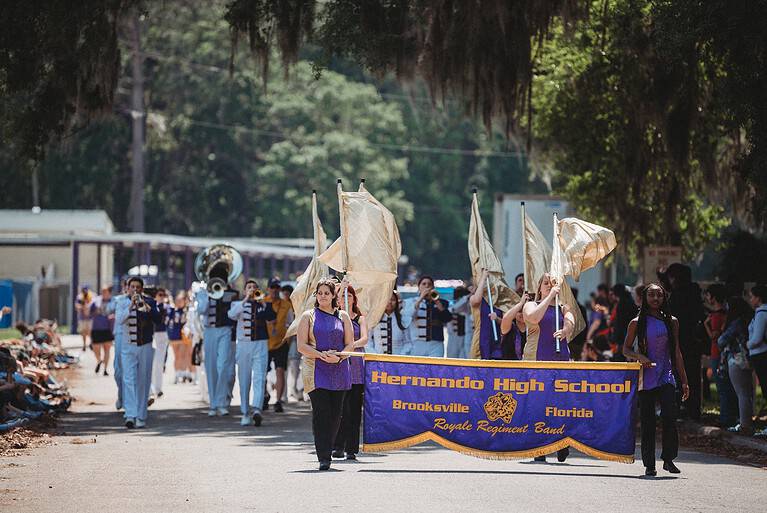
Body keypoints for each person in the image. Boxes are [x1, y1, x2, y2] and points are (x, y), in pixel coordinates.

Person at [623, 283, 689, 476]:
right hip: (646, 376)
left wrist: (684, 380)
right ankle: (649, 464)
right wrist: (640, 357)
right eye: (651, 295)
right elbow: (625, 349)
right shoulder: (637, 322)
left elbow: (676, 352)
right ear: (645, 298)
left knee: (669, 416)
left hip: (666, 374)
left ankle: (668, 459)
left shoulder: (672, 321)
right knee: (648, 421)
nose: (655, 299)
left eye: (659, 295)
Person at [296, 278, 354, 471]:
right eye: (319, 293)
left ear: (333, 295)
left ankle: (328, 447)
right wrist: (321, 355)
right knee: (322, 413)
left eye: (326, 293)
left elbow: (350, 345)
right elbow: (301, 346)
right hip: (315, 370)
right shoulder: (308, 316)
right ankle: (324, 456)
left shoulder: (343, 316)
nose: (323, 296)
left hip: (339, 368)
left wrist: (338, 358)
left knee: (336, 414)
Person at [523, 273, 575, 462]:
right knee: (538, 403)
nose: (549, 286)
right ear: (539, 288)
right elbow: (533, 318)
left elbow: (571, 321)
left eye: (552, 283)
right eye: (545, 283)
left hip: (560, 358)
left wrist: (565, 330)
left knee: (560, 403)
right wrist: (549, 297)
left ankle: (561, 442)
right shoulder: (531, 305)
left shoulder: (563, 308)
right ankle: (540, 447)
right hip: (537, 359)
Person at [229, 280, 276, 426]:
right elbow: (231, 315)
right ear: (244, 291)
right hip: (243, 345)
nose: (252, 289)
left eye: (255, 288)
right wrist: (245, 299)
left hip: (260, 344)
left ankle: (257, 409)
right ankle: (244, 412)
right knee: (244, 379)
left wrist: (261, 302)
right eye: (249, 287)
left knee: (260, 377)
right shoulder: (237, 304)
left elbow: (271, 316)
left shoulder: (264, 304)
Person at [116, 277, 161, 429]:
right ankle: (130, 414)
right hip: (128, 347)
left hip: (146, 346)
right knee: (128, 380)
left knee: (143, 381)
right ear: (127, 288)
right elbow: (119, 320)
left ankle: (141, 415)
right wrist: (130, 306)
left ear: (142, 289)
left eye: (138, 287)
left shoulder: (150, 302)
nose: (135, 289)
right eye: (132, 286)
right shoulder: (122, 302)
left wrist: (148, 308)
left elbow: (158, 319)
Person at [662, 263, 705, 420]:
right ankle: (693, 409)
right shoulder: (695, 294)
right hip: (693, 342)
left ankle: (682, 406)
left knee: (680, 375)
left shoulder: (678, 296)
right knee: (692, 376)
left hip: (681, 341)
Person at [333, 282, 368, 460]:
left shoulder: (360, 318)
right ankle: (337, 446)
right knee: (340, 410)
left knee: (354, 411)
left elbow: (364, 339)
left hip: (356, 368)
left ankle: (351, 448)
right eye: (342, 296)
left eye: (349, 296)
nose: (346, 299)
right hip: (339, 367)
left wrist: (350, 345)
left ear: (354, 299)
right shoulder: (335, 317)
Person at [196, 278, 239, 417]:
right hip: (209, 331)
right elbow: (201, 310)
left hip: (225, 329)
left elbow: (232, 305)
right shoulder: (202, 292)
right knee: (211, 367)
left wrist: (223, 292)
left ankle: (221, 402)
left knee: (223, 365)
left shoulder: (230, 292)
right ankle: (213, 404)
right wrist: (209, 294)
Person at [717, 296, 754, 434]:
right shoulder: (749, 320)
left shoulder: (736, 323)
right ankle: (747, 423)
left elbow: (721, 341)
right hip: (748, 358)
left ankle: (745, 425)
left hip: (736, 359)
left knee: (742, 393)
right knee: (747, 392)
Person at [704, 284, 737, 427]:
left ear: (713, 297)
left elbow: (714, 336)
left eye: (708, 295)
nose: (706, 298)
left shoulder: (716, 316)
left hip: (716, 353)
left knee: (722, 387)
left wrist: (706, 324)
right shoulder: (726, 313)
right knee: (728, 386)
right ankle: (731, 416)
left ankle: (725, 418)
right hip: (724, 354)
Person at [402, 276, 452, 357]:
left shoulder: (442, 302)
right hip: (417, 343)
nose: (427, 286)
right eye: (424, 284)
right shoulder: (410, 302)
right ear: (419, 287)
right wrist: (421, 298)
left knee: (435, 368)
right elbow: (408, 316)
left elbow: (448, 318)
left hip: (436, 344)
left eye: (429, 284)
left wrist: (437, 302)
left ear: (433, 287)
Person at [264, 278, 292, 413]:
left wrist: (289, 340)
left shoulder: (286, 305)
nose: (274, 290)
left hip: (281, 343)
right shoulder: (263, 302)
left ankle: (278, 400)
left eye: (277, 288)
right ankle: (264, 395)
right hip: (265, 343)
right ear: (268, 289)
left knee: (280, 371)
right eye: (272, 287)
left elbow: (291, 323)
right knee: (262, 372)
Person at [106, 280, 130, 411]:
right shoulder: (118, 299)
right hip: (120, 334)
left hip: (133, 337)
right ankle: (121, 396)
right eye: (128, 286)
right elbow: (108, 308)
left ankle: (130, 400)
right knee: (118, 370)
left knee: (130, 369)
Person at [747, 284, 767, 433]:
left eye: (752, 296)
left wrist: (748, 344)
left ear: (758, 298)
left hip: (761, 354)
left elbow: (757, 338)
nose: (750, 299)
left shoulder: (761, 313)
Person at [490, 292, 529, 360]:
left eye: (525, 310)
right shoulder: (510, 327)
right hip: (509, 367)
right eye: (519, 310)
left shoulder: (532, 328)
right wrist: (521, 304)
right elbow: (506, 318)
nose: (522, 313)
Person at [370, 291, 409, 355]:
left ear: (397, 302)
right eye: (387, 299)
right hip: (378, 359)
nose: (390, 302)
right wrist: (374, 355)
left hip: (398, 359)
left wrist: (401, 355)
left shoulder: (403, 319)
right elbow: (368, 341)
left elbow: (408, 343)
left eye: (393, 300)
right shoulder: (374, 319)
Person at [150, 288, 171, 401]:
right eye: (160, 295)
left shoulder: (167, 308)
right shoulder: (153, 306)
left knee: (159, 363)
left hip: (162, 335)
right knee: (152, 363)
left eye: (164, 295)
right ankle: (152, 388)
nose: (162, 297)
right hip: (152, 334)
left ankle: (158, 388)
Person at [167, 291, 192, 384]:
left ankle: (184, 373)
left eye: (181, 300)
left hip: (183, 336)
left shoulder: (187, 311)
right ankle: (177, 374)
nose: (179, 302)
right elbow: (168, 323)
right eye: (177, 300)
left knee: (184, 355)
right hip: (174, 335)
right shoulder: (172, 310)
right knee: (177, 356)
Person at [89, 286, 114, 376]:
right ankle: (99, 361)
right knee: (96, 349)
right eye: (102, 291)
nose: (104, 293)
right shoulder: (96, 301)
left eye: (106, 291)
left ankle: (105, 369)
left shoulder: (113, 301)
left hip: (108, 329)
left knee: (107, 349)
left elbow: (116, 312)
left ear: (109, 292)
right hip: (96, 328)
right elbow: (88, 312)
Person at [609, 284, 636, 360]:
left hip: (624, 334)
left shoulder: (621, 304)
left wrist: (615, 337)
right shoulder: (630, 300)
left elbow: (620, 323)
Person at [446, 286, 472, 358]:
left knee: (465, 356)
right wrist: (467, 297)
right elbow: (454, 308)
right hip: (453, 337)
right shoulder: (452, 305)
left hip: (466, 336)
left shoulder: (468, 309)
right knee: (452, 356)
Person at [75, 285, 93, 351]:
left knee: (89, 331)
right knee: (83, 332)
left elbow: (93, 306)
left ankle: (91, 342)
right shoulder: (79, 297)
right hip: (82, 317)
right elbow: (77, 306)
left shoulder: (91, 296)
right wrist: (83, 307)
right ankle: (84, 345)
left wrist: (87, 307)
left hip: (90, 317)